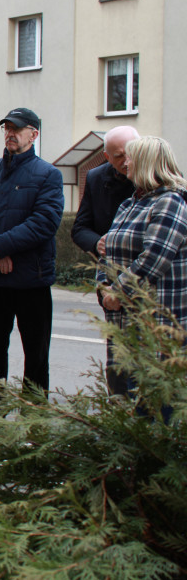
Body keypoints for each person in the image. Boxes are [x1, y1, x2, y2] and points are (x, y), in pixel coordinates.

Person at [0, 108, 64, 404]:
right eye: (7, 128)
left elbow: (44, 222)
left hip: (32, 278)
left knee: (36, 352)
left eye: (17, 129)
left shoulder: (48, 174)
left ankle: (34, 414)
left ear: (34, 135)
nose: (10, 133)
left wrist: (1, 247)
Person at [97, 136, 187, 398]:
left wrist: (118, 292)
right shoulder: (129, 204)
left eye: (130, 157)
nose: (125, 164)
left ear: (148, 163)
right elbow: (106, 251)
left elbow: (154, 259)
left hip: (155, 324)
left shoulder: (170, 202)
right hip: (122, 322)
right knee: (122, 398)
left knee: (152, 403)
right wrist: (103, 287)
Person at [71, 125, 139, 258]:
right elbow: (80, 229)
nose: (126, 162)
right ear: (107, 157)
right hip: (110, 264)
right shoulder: (95, 178)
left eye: (131, 152)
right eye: (119, 156)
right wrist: (98, 243)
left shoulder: (159, 175)